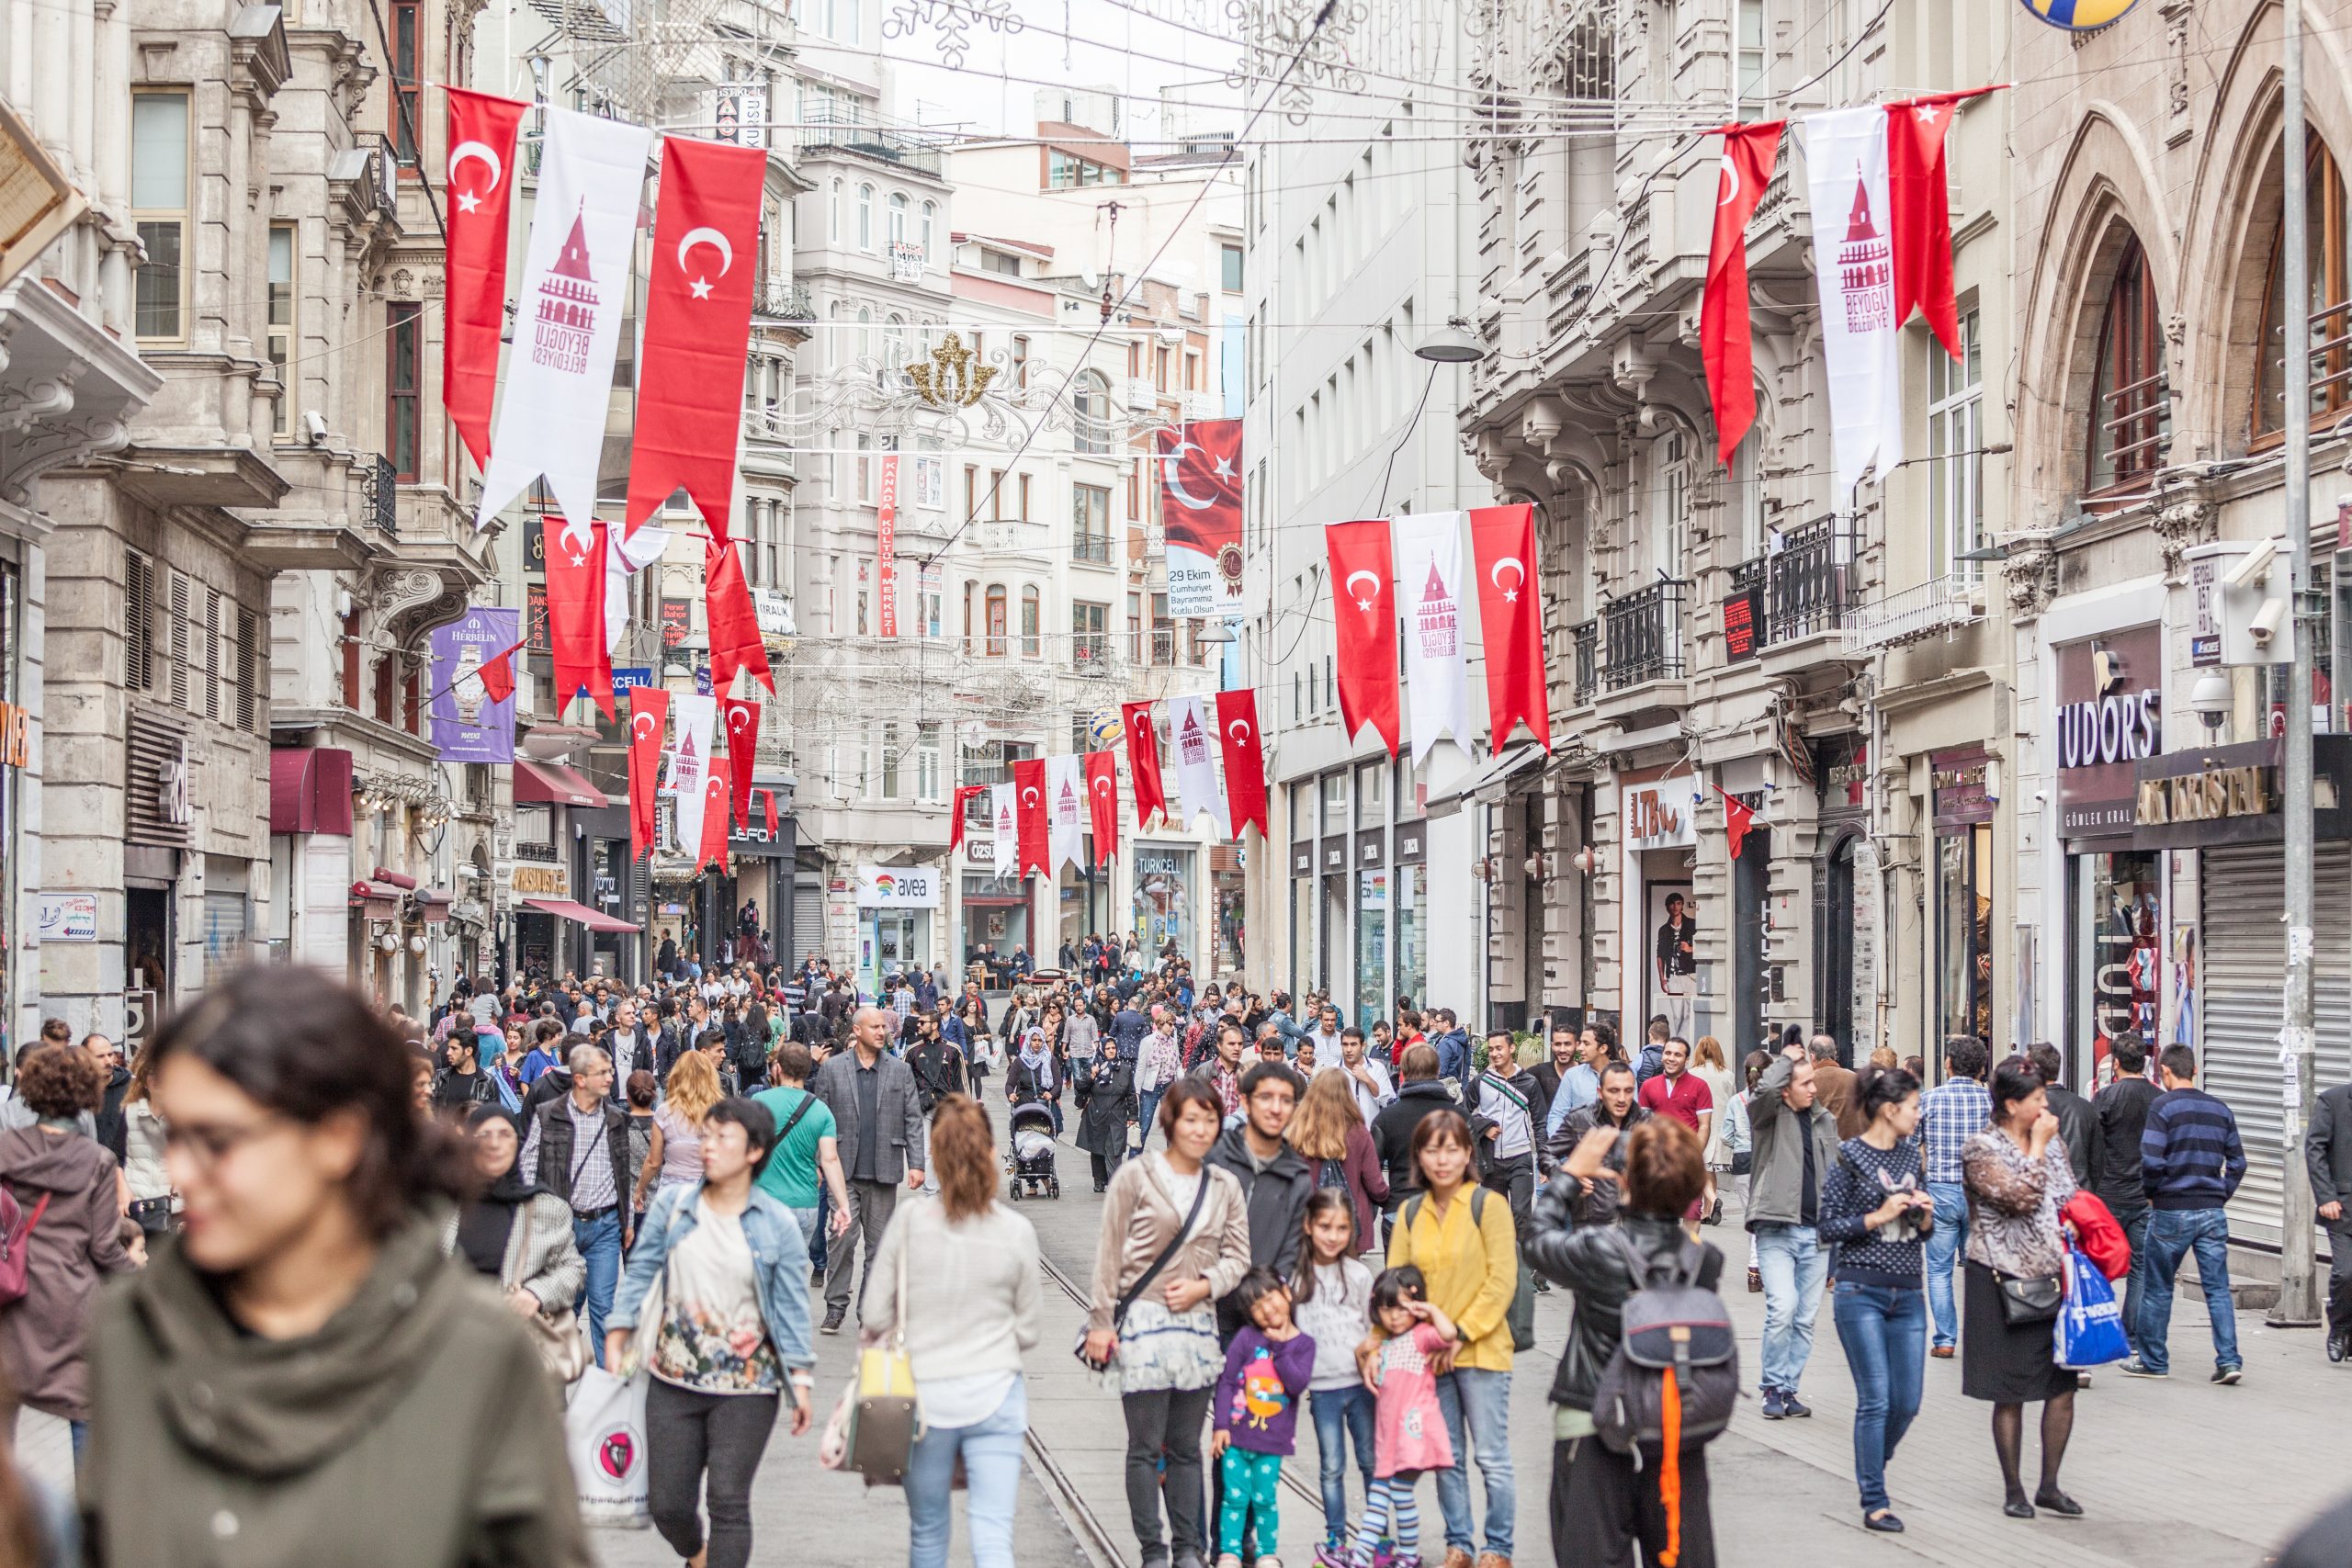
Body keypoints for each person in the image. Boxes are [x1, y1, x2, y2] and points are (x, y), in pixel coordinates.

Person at [83, 966, 585, 1565]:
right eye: (178, 1137)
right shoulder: (130, 1331)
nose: (183, 1173)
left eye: (219, 1140)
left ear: (338, 1138)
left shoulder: (475, 1352)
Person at [608, 1099, 815, 1568]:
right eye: (707, 1136)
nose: (710, 1147)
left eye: (724, 1138)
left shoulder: (776, 1223)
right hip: (672, 1379)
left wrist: (800, 1381)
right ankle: (695, 1554)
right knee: (669, 1505)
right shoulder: (673, 1205)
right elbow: (641, 1271)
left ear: (754, 1152)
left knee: (728, 1499)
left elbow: (790, 1308)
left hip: (748, 1386)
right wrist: (620, 1327)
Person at [1525, 1117, 1724, 1568]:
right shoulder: (1705, 1260)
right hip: (1673, 1426)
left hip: (1593, 1420)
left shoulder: (1599, 1249)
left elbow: (1536, 1241)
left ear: (1625, 1181)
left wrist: (1571, 1174)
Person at [864, 1095, 1042, 1568]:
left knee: (927, 1533)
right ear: (991, 1150)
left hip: (924, 1398)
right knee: (993, 1533)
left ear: (936, 1155)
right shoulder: (1016, 1231)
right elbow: (1028, 1329)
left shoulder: (909, 1223)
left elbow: (875, 1314)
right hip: (997, 1392)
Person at [1085, 1079, 1253, 1568]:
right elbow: (1108, 1255)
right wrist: (1101, 1321)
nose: (1201, 1130)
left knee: (1185, 1446)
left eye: (1209, 1120)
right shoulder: (1136, 1177)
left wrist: (1206, 1286)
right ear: (1170, 1122)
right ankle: (1153, 1551)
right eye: (1190, 1119)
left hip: (1196, 1327)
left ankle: (1187, 1550)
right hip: (1140, 1325)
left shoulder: (1223, 1185)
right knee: (1143, 1445)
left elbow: (1238, 1257)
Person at [1384, 1110, 1517, 1568]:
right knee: (1448, 1457)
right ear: (1420, 1156)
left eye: (1453, 1149)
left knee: (1492, 1456)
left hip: (1483, 1351)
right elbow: (1395, 1286)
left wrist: (1458, 1334)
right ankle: (1460, 1542)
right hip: (1429, 1357)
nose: (1443, 1159)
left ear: (1468, 1153)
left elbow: (1501, 1281)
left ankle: (1498, 1547)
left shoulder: (1489, 1206)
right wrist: (1419, 1339)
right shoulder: (1409, 1212)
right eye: (1433, 1149)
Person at [1961, 1055, 2081, 1519]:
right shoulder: (1981, 1148)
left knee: (2061, 1386)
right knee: (2008, 1391)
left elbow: (2068, 1196)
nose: (2045, 1105)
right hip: (1998, 1278)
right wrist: (2036, 1147)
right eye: (2036, 1099)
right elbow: (2020, 1198)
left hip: (2051, 1278)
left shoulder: (2052, 1144)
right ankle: (2014, 1489)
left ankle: (2050, 1484)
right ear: (2011, 1104)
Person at [0, 1045, 132, 1463]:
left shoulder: (5, 1150)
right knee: (84, 1412)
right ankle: (87, 1519)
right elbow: (104, 1247)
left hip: (10, 1299)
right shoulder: (97, 1161)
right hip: (71, 1301)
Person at [1819, 1064, 1934, 1533]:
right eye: (1913, 1107)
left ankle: (1873, 1460)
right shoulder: (1849, 1156)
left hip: (1908, 1292)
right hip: (1859, 1289)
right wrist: (1878, 1215)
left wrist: (1924, 1216)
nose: (1918, 1114)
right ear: (1889, 1110)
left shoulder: (1911, 1158)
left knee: (1907, 1402)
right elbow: (1828, 1227)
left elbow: (1923, 1233)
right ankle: (1875, 1500)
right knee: (1876, 1398)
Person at [2123, 1043, 2246, 1384]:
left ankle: (2153, 1361)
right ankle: (2229, 1360)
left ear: (2165, 1072)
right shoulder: (2220, 1109)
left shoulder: (2162, 1107)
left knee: (2158, 1287)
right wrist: (2220, 1193)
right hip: (2211, 1212)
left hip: (2171, 1211)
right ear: (2194, 1069)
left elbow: (2151, 1159)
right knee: (2218, 1289)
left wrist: (2152, 1194)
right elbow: (2238, 1162)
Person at [520, 1041, 640, 1361]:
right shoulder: (549, 1114)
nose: (610, 1078)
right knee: (564, 1307)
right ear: (580, 1079)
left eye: (610, 1071)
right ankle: (558, 1377)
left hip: (605, 1225)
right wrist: (533, 1218)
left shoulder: (617, 1118)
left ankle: (606, 1388)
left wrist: (626, 1219)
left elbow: (623, 1173)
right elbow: (528, 1165)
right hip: (564, 1226)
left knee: (603, 1306)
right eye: (602, 1072)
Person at [810, 1006, 927, 1335]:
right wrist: (818, 1163)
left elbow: (913, 1119)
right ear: (857, 1030)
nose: (881, 1032)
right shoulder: (832, 1069)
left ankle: (869, 1311)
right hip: (843, 1171)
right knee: (842, 1240)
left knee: (878, 1248)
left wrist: (916, 1163)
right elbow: (820, 1119)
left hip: (883, 1170)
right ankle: (835, 1308)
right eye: (874, 1027)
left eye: (883, 1027)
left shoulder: (900, 1070)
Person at [441, 1104, 584, 1353]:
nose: (494, 1144)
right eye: (483, 1135)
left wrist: (535, 1294)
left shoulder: (545, 1208)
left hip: (519, 1348)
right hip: (452, 1346)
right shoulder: (445, 1207)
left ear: (517, 1142)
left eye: (504, 1134)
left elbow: (573, 1269)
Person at [1747, 1034, 1838, 1420]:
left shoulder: (1824, 1120)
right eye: (1805, 1083)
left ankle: (1788, 1388)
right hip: (1777, 1230)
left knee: (1804, 1318)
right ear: (1786, 1089)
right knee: (1782, 1308)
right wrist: (1784, 1060)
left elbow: (1834, 1176)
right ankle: (1770, 1386)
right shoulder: (1770, 1116)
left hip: (1817, 1235)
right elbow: (1763, 1091)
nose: (1814, 1088)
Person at [1342, 1266, 1456, 1568]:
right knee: (1398, 1496)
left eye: (1402, 1308)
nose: (1395, 1316)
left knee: (1388, 1493)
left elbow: (1449, 1333)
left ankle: (1363, 1556)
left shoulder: (1422, 1337)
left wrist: (1430, 1310)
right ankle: (1404, 1557)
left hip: (1414, 1435)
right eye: (1387, 1309)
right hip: (1392, 1439)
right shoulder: (1385, 1345)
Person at [1209, 1268, 1317, 1568]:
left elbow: (1296, 1384)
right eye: (1257, 1306)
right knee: (1234, 1497)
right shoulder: (1245, 1338)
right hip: (1237, 1438)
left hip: (1272, 1441)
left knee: (1265, 1499)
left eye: (1271, 1299)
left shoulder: (1304, 1344)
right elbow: (1227, 1381)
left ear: (1286, 1294)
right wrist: (1220, 1425)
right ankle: (1229, 1551)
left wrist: (1280, 1348)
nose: (1267, 1310)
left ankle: (1267, 1552)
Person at [1293, 1190, 1376, 1565]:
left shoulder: (1360, 1275)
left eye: (1342, 1228)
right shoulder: (1296, 1278)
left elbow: (1373, 1328)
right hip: (1323, 1389)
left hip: (1361, 1386)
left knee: (1371, 1462)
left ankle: (1378, 1538)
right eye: (1325, 1226)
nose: (1332, 1235)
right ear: (1309, 1226)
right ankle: (1336, 1539)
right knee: (1331, 1466)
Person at [1206, 1063, 1316, 1341]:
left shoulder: (1298, 1177)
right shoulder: (1214, 1157)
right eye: (1266, 1097)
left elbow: (1289, 1254)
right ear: (1245, 1101)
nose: (1276, 1108)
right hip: (1201, 1309)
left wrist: (1264, 1300)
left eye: (1286, 1100)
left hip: (1256, 1318)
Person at [1917, 1035, 1992, 1358]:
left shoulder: (1930, 1100)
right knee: (1981, 1272)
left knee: (1938, 1269)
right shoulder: (1993, 1102)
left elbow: (1911, 1145)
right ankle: (1981, 1339)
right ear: (1982, 1068)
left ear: (1948, 1064)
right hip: (1981, 1193)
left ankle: (1945, 1339)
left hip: (1942, 1190)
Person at [752, 1043, 854, 1254]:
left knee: (762, 1272)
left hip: (764, 1200)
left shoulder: (758, 1102)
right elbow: (830, 1160)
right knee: (792, 1270)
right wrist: (843, 1205)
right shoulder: (821, 1110)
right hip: (805, 1202)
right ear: (808, 1070)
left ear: (777, 1068)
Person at [1290, 1067, 1391, 1257]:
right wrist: (1388, 1197)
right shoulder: (1359, 1133)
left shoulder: (1299, 1132)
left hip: (1309, 1220)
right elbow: (1375, 1184)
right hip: (1350, 1224)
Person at [1546, 1063, 1649, 1226]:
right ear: (1600, 1092)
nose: (1621, 1098)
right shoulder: (1579, 1119)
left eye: (1628, 1091)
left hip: (1637, 1219)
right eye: (1614, 1091)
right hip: (1592, 1218)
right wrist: (1570, 1178)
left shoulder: (1647, 1121)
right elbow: (1548, 1153)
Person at [634, 1049, 723, 1213]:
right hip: (709, 1196)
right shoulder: (721, 1113)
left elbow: (654, 1161)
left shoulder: (665, 1112)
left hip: (671, 1195)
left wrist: (640, 1189)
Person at [1371, 1043, 1455, 1218]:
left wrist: (1385, 1199)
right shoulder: (1458, 1117)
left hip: (1399, 1207)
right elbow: (1477, 1166)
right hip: (1446, 1210)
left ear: (1404, 1071)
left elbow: (1372, 1169)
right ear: (1437, 1070)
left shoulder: (1386, 1118)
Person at [2309, 1066, 2352, 1362]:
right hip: (2341, 1207)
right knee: (2346, 1271)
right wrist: (2326, 1196)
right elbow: (2314, 1149)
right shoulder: (2333, 1101)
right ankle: (2338, 1327)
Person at [119, 1047, 175, 1238]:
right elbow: (115, 1157)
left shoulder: (184, 1116)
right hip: (137, 1204)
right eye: (153, 1075)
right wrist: (122, 1188)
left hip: (175, 1207)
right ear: (145, 1082)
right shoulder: (129, 1113)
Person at [2028, 1043, 2100, 1187]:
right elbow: (2097, 1161)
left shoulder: (2026, 1108)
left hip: (2040, 1192)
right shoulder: (2085, 1107)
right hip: (2079, 1191)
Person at [1079, 1030, 1138, 1193]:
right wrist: (1091, 1076)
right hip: (1097, 1115)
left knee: (1115, 1150)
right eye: (1108, 1048)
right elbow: (1081, 1088)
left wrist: (1133, 1115)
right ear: (1102, 1050)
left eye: (1113, 1048)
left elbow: (1131, 1093)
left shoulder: (1124, 1069)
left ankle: (1116, 1181)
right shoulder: (1094, 1067)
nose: (1112, 1051)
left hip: (1117, 1115)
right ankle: (1099, 1180)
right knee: (1097, 1150)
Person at [1690, 1035, 1737, 1224]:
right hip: (1720, 1127)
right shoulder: (1728, 1074)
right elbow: (1732, 1098)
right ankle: (1708, 1209)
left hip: (1698, 1126)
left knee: (1699, 1169)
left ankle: (1705, 1206)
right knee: (1710, 1170)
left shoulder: (1692, 1073)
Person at [1136, 1008, 1185, 1154]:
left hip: (1168, 1087)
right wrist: (1136, 1091)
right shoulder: (1148, 1042)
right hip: (1150, 1088)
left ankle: (1172, 1161)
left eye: (1173, 1024)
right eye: (1169, 1024)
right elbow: (1141, 1066)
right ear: (1160, 1024)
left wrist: (1182, 1082)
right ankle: (1134, 1160)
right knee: (1144, 1127)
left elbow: (1177, 1064)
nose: (1172, 1027)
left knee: (1171, 1126)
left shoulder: (1173, 1042)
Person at [1333, 1026, 1396, 1128]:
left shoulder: (1377, 1068)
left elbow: (1389, 1103)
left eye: (1353, 1045)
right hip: (1342, 1136)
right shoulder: (1334, 1070)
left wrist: (1368, 1080)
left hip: (1371, 1135)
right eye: (1345, 1045)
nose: (1349, 1050)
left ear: (1363, 1046)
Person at [1809, 1036, 1858, 1139]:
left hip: (1819, 1147)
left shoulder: (1807, 1082)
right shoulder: (1854, 1079)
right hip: (1849, 1145)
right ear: (1835, 1054)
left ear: (1812, 1057)